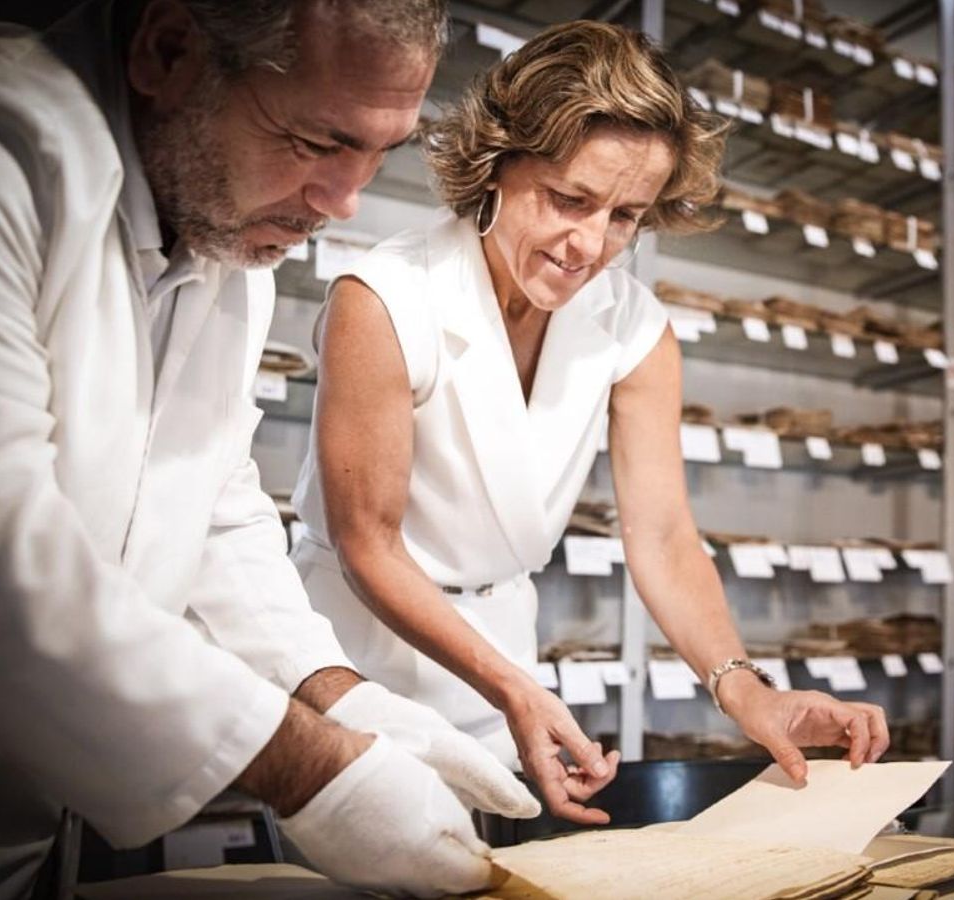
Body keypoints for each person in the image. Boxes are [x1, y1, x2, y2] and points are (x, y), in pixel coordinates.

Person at [0, 2, 540, 898]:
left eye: (378, 155)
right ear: (170, 51)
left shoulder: (225, 245)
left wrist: (341, 696)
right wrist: (309, 768)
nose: (342, 201)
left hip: (9, 838)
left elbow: (211, 507)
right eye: (315, 141)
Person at [292, 19, 892, 826]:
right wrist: (512, 685)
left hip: (505, 648)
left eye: (624, 217)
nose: (589, 245)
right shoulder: (386, 299)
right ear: (496, 164)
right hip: (355, 656)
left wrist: (748, 690)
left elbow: (665, 537)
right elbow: (370, 544)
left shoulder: (634, 327)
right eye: (568, 199)